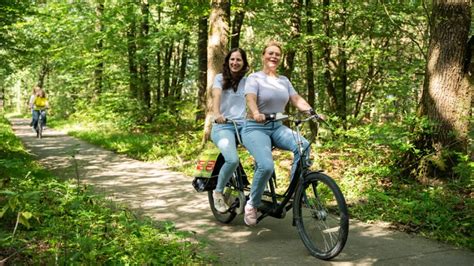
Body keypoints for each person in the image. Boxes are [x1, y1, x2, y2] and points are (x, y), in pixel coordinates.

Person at [241, 40, 315, 226]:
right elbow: (250, 98)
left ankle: (296, 190)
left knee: (304, 146)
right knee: (266, 166)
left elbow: (296, 98)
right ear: (263, 56)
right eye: (270, 53)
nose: (274, 56)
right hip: (255, 127)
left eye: (277, 54)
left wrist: (312, 112)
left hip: (277, 127)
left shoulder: (284, 80)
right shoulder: (254, 78)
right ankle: (252, 204)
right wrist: (256, 112)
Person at [211, 48, 249, 213]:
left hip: (242, 126)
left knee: (264, 152)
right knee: (232, 160)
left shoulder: (247, 81)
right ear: (227, 62)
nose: (235, 62)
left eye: (239, 60)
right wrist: (217, 114)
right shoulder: (219, 78)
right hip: (223, 125)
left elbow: (255, 100)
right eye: (232, 59)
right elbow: (216, 96)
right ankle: (218, 192)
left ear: (244, 63)